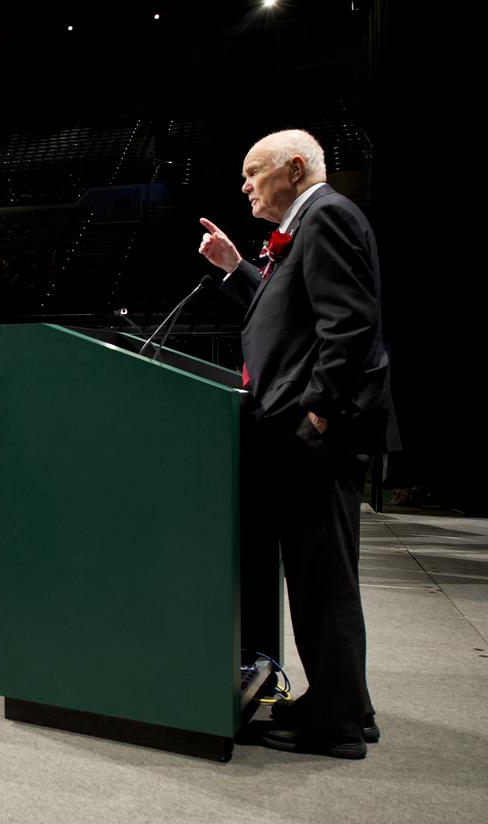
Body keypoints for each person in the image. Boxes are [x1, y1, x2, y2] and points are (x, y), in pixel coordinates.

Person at [198, 129, 390, 760]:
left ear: (296, 168)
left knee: (322, 581)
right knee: (320, 577)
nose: (245, 185)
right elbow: (286, 313)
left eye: (254, 173)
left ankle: (334, 722)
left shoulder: (326, 216)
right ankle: (348, 705)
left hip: (314, 439)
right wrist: (236, 269)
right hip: (305, 435)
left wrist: (317, 419)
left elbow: (349, 327)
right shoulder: (310, 225)